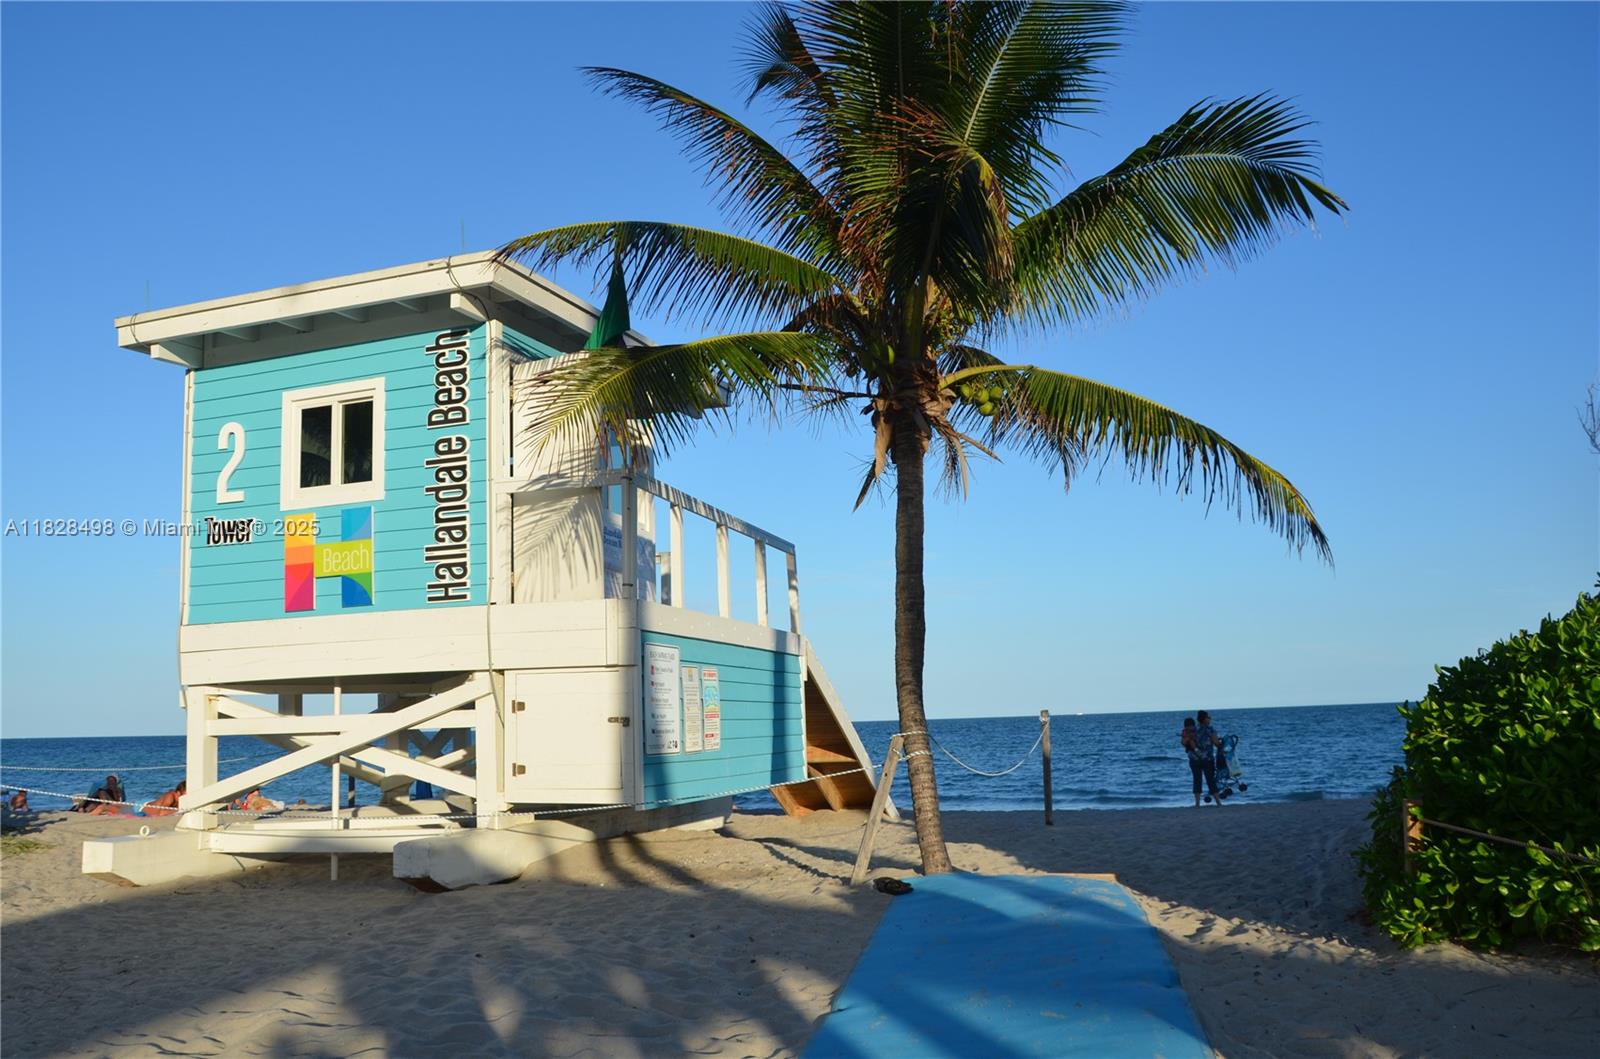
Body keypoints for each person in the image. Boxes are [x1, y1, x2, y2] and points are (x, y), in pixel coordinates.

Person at [1194, 711, 1223, 805]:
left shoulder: (1194, 729)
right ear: (1204, 719)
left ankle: (1197, 803)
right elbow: (1216, 743)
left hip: (1195, 758)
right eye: (1208, 717)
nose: (1210, 719)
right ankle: (1218, 802)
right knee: (1210, 780)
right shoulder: (1210, 729)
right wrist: (1220, 743)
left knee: (1197, 780)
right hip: (1208, 759)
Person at [1179, 718, 1204, 808]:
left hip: (1202, 756)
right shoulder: (1185, 732)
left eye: (1190, 726)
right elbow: (1183, 743)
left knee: (1208, 778)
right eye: (1187, 727)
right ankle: (1197, 803)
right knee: (1197, 779)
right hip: (1194, 758)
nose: (1189, 728)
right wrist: (1188, 737)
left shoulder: (1198, 730)